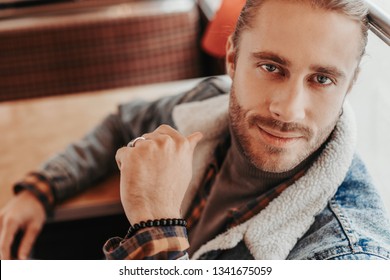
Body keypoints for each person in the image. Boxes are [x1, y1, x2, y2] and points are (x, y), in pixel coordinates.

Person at [1, 0, 390, 260]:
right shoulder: (207, 100)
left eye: (322, 79)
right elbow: (121, 121)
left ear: (349, 86)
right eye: (271, 67)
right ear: (233, 60)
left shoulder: (345, 254)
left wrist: (157, 226)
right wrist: (42, 188)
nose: (288, 109)